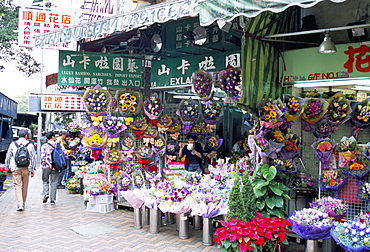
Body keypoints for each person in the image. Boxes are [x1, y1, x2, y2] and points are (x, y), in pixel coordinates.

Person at [5, 129, 37, 211]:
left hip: (15, 168)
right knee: (25, 185)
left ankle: (19, 204)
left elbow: (8, 156)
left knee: (17, 185)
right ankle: (23, 202)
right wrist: (33, 169)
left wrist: (6, 168)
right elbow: (33, 157)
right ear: (26, 136)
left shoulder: (13, 144)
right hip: (26, 168)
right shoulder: (30, 144)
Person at [40, 131, 68, 205]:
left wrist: (49, 164)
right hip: (56, 167)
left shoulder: (44, 146)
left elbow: (43, 157)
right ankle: (52, 200)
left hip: (46, 166)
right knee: (54, 182)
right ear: (52, 137)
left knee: (45, 180)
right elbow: (65, 155)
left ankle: (46, 193)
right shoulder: (59, 145)